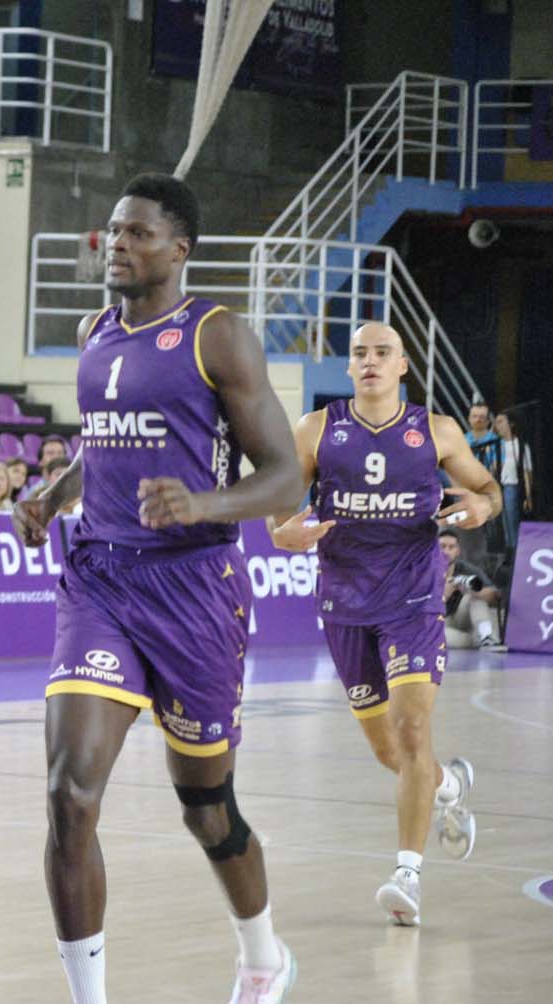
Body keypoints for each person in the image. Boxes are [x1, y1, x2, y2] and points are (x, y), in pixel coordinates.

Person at [12, 174, 307, 1004]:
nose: (118, 243)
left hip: (195, 589)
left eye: (138, 233)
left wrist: (203, 504)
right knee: (70, 796)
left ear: (180, 249)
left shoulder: (219, 337)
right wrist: (54, 495)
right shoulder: (94, 330)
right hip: (100, 580)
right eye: (112, 230)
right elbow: (105, 444)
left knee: (207, 809)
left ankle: (262, 956)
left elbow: (286, 480)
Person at [269, 321, 499, 928]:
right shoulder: (316, 430)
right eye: (360, 354)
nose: (370, 361)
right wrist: (281, 531)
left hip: (414, 599)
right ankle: (446, 786)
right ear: (349, 368)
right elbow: (281, 505)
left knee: (413, 728)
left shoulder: (437, 430)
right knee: (388, 751)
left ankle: (408, 875)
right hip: (345, 603)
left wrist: (481, 505)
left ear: (403, 367)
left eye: (383, 353)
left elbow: (487, 490)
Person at [437, 530, 504, 649]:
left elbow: (495, 595)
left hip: (461, 616)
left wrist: (471, 591)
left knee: (475, 597)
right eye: (442, 547)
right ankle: (478, 640)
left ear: (458, 551)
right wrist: (444, 595)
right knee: (439, 637)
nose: (446, 551)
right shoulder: (426, 570)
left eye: (451, 547)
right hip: (439, 621)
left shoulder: (465, 568)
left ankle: (486, 637)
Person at [492, 411, 532, 550]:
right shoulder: (497, 445)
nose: (497, 425)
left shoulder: (520, 445)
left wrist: (528, 495)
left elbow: (527, 473)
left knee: (511, 518)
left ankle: (515, 549)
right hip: (498, 486)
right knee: (503, 521)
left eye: (501, 421)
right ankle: (509, 549)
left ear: (511, 424)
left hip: (512, 485)